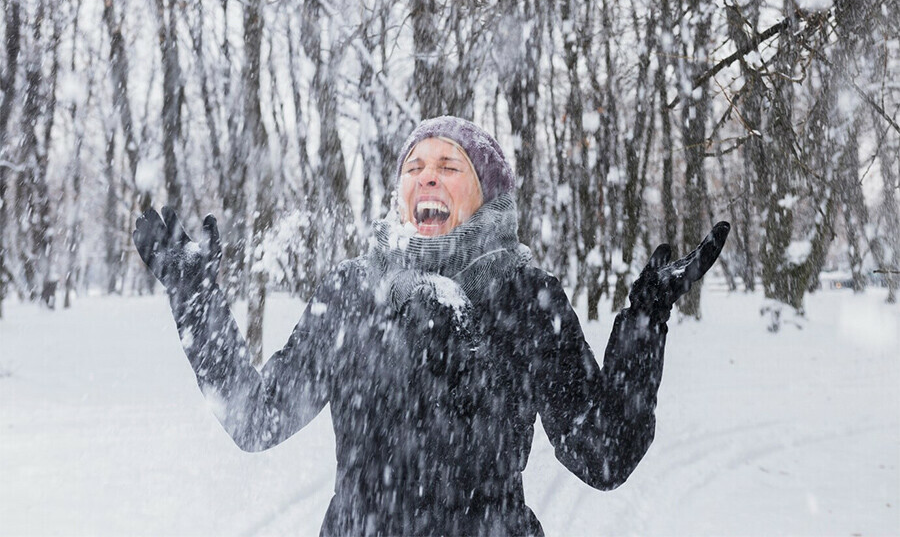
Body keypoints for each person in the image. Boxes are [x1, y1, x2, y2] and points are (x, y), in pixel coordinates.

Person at [133, 116, 729, 536]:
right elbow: (255, 417)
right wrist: (195, 298)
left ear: (487, 192)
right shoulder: (352, 293)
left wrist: (647, 318)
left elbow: (604, 455)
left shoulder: (525, 298)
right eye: (414, 166)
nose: (427, 176)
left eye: (450, 165)